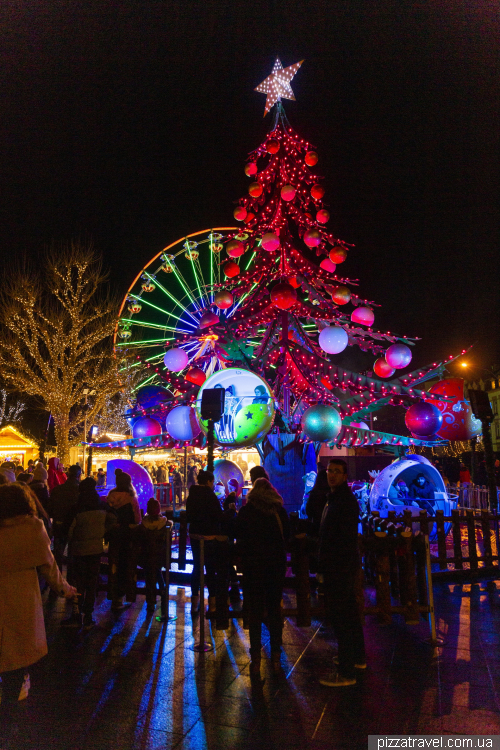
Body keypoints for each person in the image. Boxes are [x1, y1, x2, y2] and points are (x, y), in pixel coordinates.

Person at [0, 483, 76, 745]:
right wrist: (65, 589)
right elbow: (48, 565)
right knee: (16, 656)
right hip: (21, 597)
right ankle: (8, 720)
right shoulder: (33, 527)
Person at [235, 477, 289, 680]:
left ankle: (256, 658)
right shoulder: (278, 511)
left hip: (253, 567)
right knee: (275, 610)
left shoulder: (247, 512)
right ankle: (276, 655)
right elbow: (288, 535)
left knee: (255, 612)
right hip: (275, 567)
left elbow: (237, 534)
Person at [318, 459, 366, 688]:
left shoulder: (343, 501)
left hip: (339, 566)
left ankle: (346, 672)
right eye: (330, 471)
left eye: (337, 472)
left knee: (341, 618)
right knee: (349, 613)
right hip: (341, 565)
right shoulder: (336, 498)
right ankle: (357, 658)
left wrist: (332, 564)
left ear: (345, 475)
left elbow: (341, 538)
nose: (332, 475)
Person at [65, 478, 114, 628]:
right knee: (92, 583)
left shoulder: (77, 508)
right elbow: (113, 519)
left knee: (78, 583)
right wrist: (102, 532)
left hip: (79, 550)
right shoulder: (102, 506)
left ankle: (76, 612)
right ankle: (88, 615)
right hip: (95, 548)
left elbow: (69, 530)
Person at [185, 469, 225, 616]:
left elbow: (189, 515)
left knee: (197, 567)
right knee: (210, 568)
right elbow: (218, 515)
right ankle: (212, 603)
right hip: (209, 536)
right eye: (212, 482)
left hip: (195, 535)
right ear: (208, 482)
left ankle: (194, 603)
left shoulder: (192, 495)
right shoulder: (210, 495)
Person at [106, 469, 141, 610]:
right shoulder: (131, 498)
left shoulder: (111, 496)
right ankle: (124, 595)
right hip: (127, 536)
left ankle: (114, 597)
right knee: (126, 565)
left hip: (114, 535)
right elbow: (137, 518)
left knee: (114, 564)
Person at [137, 498, 170, 613]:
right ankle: (163, 592)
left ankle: (150, 602)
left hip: (146, 556)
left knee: (149, 578)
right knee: (157, 572)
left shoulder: (143, 525)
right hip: (160, 556)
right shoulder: (165, 523)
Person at [46, 464, 82, 571]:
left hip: (59, 524)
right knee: (72, 553)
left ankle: (57, 582)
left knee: (58, 553)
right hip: (74, 525)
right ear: (79, 475)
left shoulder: (58, 490)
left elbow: (50, 509)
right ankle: (70, 581)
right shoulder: (80, 491)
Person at [305, 469, 330, 537]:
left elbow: (308, 511)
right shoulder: (333, 494)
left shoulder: (314, 494)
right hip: (331, 530)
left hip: (316, 528)